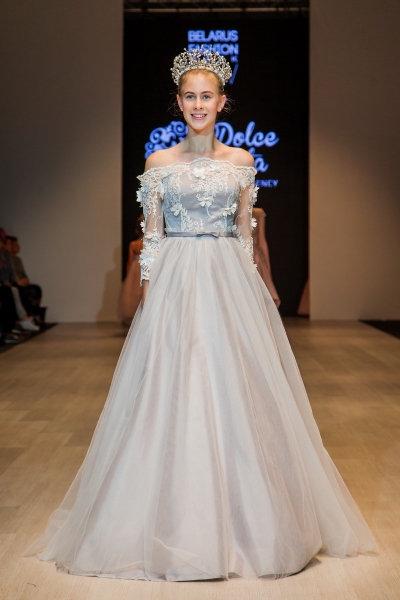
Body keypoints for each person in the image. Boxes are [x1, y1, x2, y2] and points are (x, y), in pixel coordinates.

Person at [24, 48, 376, 581]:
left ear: (221, 101)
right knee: (172, 383)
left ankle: (249, 524)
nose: (197, 104)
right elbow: (152, 237)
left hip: (227, 279)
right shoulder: (158, 164)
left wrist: (257, 290)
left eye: (206, 96)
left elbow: (244, 234)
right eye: (189, 96)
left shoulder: (242, 162)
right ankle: (163, 518)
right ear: (178, 101)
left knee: (235, 383)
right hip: (177, 279)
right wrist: (149, 298)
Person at [117, 215, 144, 324]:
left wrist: (128, 275)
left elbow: (129, 261)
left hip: (135, 269)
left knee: (133, 294)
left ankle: (136, 320)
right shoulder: (149, 244)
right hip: (146, 268)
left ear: (137, 230)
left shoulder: (133, 244)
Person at [252, 207, 280, 307]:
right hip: (238, 253)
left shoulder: (257, 213)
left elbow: (262, 241)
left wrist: (267, 267)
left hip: (255, 257)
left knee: (258, 292)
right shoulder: (231, 211)